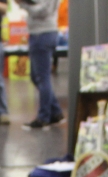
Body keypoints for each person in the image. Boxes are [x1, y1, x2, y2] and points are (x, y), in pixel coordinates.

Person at [18, 0, 62, 128]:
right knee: (36, 76)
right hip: (40, 33)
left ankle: (44, 117)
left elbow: (42, 10)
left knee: (42, 78)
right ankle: (55, 111)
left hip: (42, 34)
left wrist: (23, 4)